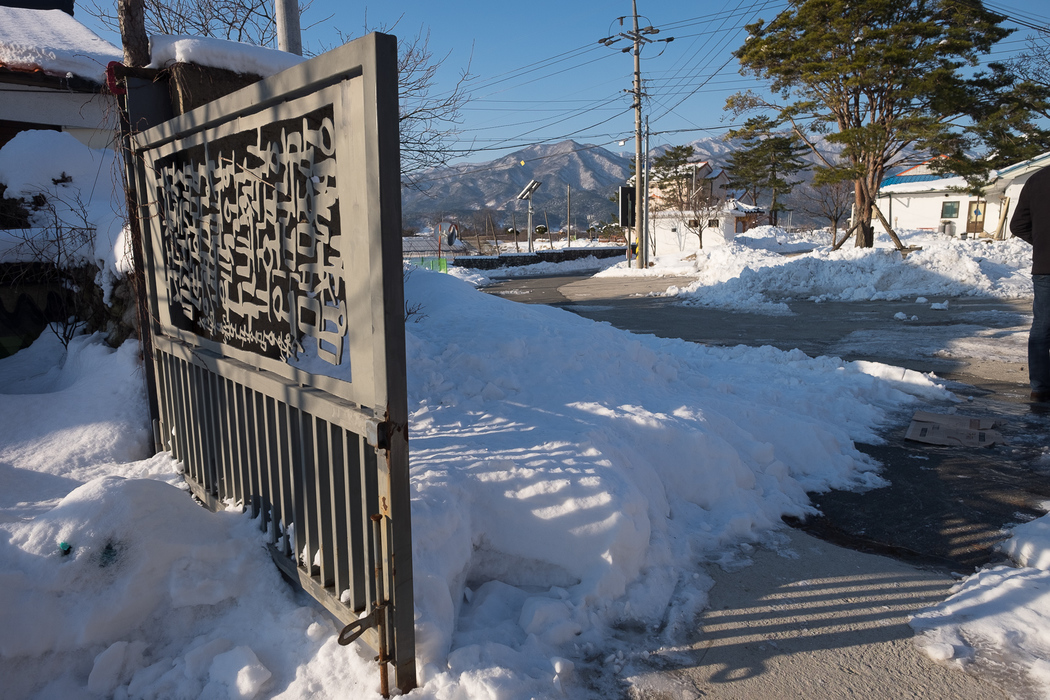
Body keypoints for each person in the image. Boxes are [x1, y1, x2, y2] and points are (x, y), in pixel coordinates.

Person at [1011, 164, 1050, 403]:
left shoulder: (1036, 180)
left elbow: (1017, 225)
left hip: (1045, 266)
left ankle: (1040, 388)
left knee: (1042, 327)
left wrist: (1041, 242)